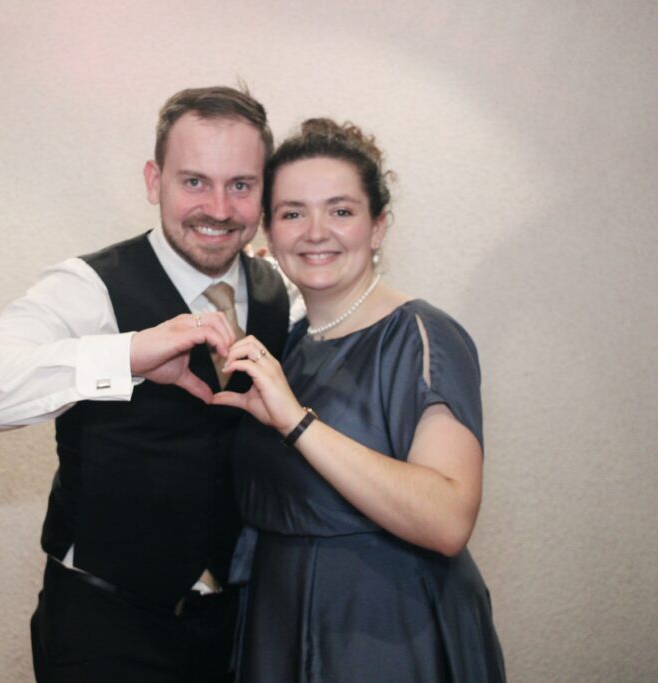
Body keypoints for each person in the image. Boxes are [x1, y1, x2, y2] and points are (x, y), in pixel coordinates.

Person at [0, 86, 290, 682]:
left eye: (241, 185)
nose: (219, 208)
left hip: (233, 632)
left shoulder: (280, 294)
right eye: (195, 181)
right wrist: (124, 357)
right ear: (154, 180)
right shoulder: (88, 286)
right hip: (104, 629)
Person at [213, 118, 506, 682]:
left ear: (378, 227)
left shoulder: (422, 337)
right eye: (293, 213)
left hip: (386, 628)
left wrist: (298, 424)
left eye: (341, 211)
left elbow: (448, 519)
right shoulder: (287, 347)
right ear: (269, 233)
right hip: (278, 618)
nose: (315, 232)